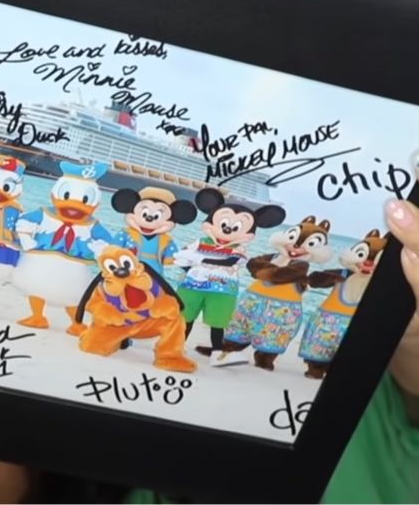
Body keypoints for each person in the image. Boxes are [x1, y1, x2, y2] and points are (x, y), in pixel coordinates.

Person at [126, 196, 419, 504]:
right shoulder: (285, 259)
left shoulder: (299, 266)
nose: (297, 246)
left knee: (276, 337)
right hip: (257, 302)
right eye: (294, 238)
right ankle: (224, 348)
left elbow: (282, 275)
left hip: (287, 310)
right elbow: (259, 267)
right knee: (239, 328)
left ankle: (274, 359)